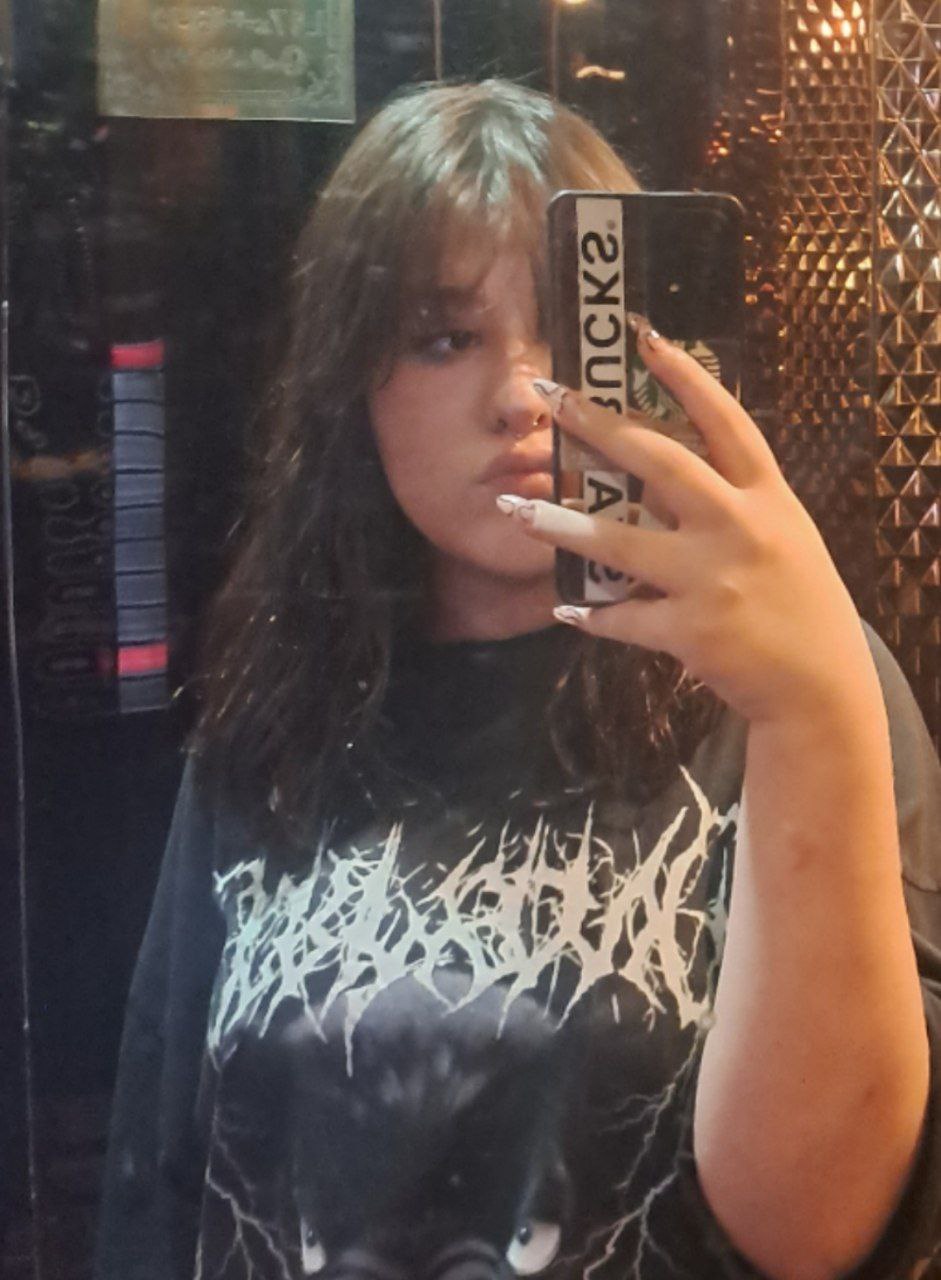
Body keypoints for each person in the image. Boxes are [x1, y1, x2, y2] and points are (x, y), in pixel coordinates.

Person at [95, 79, 941, 1280]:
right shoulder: (273, 721)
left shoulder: (782, 688)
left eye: (570, 329)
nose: (520, 395)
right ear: (352, 385)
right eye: (444, 337)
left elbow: (823, 1232)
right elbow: (159, 1170)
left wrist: (811, 701)